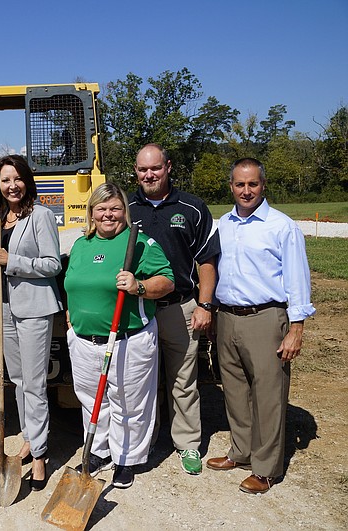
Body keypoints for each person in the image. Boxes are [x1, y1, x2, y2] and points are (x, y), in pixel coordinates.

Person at [206, 158, 315, 494]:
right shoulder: (223, 224)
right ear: (231, 187)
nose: (246, 190)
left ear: (263, 185)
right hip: (228, 318)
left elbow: (298, 279)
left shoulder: (282, 227)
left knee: (268, 395)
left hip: (266, 317)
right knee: (235, 391)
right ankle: (241, 452)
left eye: (252, 184)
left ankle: (266, 468)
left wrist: (296, 328)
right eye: (240, 184)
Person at [64, 182, 174, 489]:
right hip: (85, 341)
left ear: (124, 211)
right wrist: (72, 319)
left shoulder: (138, 244)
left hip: (128, 339)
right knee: (92, 401)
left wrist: (138, 286)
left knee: (129, 403)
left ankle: (126, 457)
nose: (108, 214)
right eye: (101, 208)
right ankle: (98, 452)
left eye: (115, 208)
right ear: (91, 213)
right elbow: (72, 283)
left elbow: (167, 281)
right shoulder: (81, 245)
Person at [128, 143, 220, 475]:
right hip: (138, 309)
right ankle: (144, 441)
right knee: (142, 381)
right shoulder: (125, 207)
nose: (148, 175)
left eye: (155, 168)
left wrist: (204, 304)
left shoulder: (192, 208)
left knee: (183, 380)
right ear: (135, 171)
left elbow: (207, 261)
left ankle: (188, 443)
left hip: (180, 307)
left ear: (168, 167)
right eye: (142, 169)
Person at [0, 155, 62, 491]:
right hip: (5, 310)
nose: (11, 186)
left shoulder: (40, 215)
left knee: (34, 383)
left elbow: (52, 264)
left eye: (16, 179)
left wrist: (11, 260)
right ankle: (29, 438)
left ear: (27, 181)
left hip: (33, 309)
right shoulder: (0, 218)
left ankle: (41, 455)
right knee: (17, 380)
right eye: (4, 180)